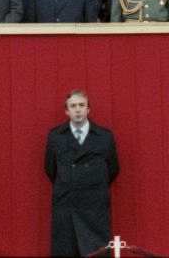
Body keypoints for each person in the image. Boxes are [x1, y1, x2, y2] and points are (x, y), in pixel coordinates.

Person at [44, 89, 120, 257]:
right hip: (66, 204)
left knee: (95, 252)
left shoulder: (104, 137)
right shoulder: (55, 136)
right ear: (66, 111)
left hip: (94, 206)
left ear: (88, 109)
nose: (77, 109)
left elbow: (113, 169)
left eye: (81, 105)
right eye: (73, 106)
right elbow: (50, 169)